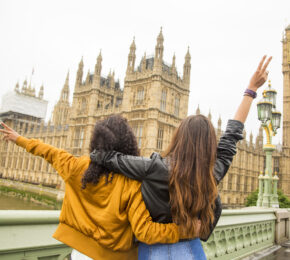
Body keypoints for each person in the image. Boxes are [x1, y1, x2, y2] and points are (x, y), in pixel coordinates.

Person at [90, 55, 272, 260]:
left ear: (179, 137)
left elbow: (109, 158)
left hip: (153, 251)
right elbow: (232, 136)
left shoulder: (154, 167)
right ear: (209, 146)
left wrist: (96, 151)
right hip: (192, 251)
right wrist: (251, 90)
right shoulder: (212, 173)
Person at [0, 115, 187, 260]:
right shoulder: (132, 184)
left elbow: (49, 152)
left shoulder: (78, 167)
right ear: (129, 146)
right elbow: (145, 231)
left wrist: (19, 139)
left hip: (79, 254)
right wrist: (184, 230)